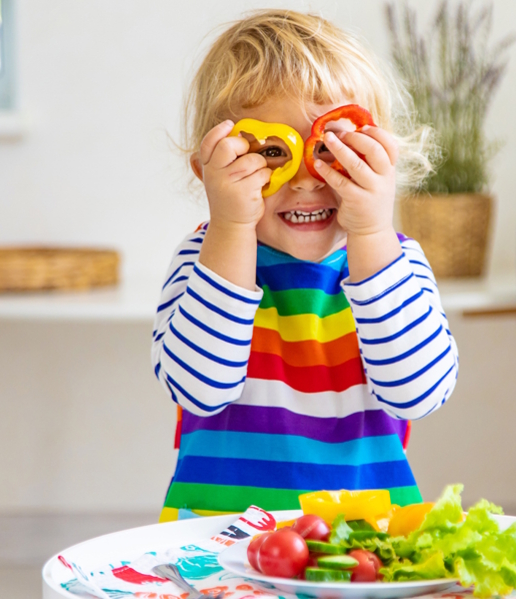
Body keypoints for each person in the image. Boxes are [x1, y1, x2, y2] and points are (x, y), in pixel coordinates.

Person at [152, 9, 459, 522]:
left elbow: (419, 393)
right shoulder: (203, 259)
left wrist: (371, 233)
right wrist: (229, 228)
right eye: (272, 152)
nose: (306, 180)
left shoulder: (396, 262)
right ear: (209, 171)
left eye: (332, 149)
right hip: (218, 540)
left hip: (365, 540)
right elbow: (197, 389)